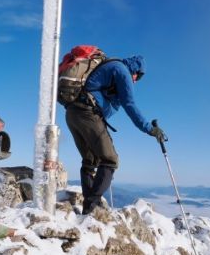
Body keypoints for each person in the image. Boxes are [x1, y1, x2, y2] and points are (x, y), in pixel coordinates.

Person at [64, 54, 165, 214]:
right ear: (136, 71)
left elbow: (102, 100)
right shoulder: (122, 71)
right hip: (87, 112)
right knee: (110, 160)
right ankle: (91, 208)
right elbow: (130, 104)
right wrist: (150, 129)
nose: (134, 80)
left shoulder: (111, 68)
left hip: (72, 113)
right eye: (137, 77)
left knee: (90, 161)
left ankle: (88, 207)